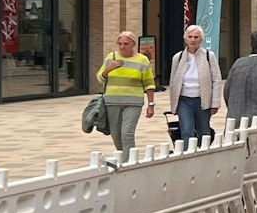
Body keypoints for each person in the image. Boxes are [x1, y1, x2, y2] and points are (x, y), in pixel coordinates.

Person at [96, 31, 156, 160]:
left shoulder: (142, 60)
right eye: (120, 44)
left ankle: (129, 162)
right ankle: (124, 157)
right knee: (116, 135)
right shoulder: (111, 57)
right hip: (112, 102)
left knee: (127, 134)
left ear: (133, 44)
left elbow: (149, 83)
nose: (122, 47)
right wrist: (108, 69)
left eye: (126, 44)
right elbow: (100, 78)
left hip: (133, 102)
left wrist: (151, 104)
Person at [166, 25, 223, 146]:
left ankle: (203, 155)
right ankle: (188, 156)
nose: (193, 40)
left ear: (201, 39)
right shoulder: (178, 57)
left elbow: (217, 80)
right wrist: (174, 105)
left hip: (203, 101)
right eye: (190, 37)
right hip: (184, 100)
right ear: (185, 39)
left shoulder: (209, 56)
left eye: (196, 37)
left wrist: (215, 103)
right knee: (186, 131)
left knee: (204, 131)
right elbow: (173, 82)